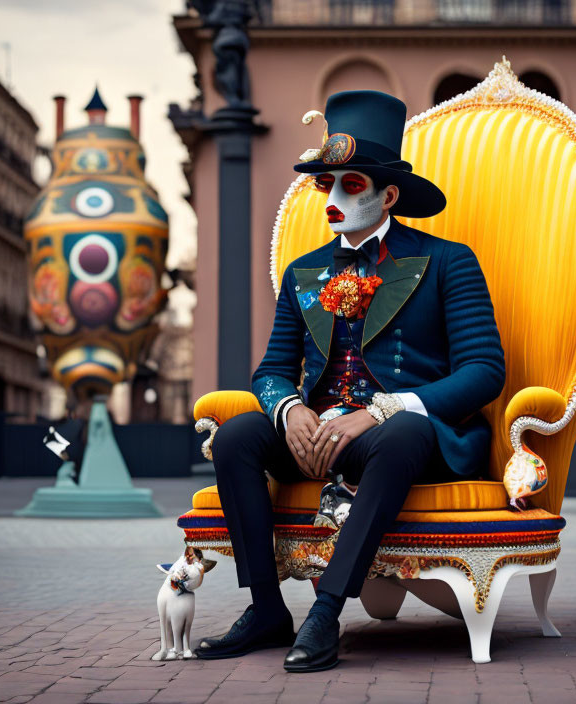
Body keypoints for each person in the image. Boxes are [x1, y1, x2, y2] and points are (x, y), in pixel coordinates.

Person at [195, 90, 505, 672]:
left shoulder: (448, 261)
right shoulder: (303, 272)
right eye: (325, 184)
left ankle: (326, 612)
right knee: (237, 437)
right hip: (319, 434)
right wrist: (290, 411)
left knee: (407, 431)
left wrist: (382, 410)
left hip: (402, 441)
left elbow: (485, 371)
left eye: (351, 184)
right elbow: (271, 371)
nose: (333, 199)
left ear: (389, 195)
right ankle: (266, 609)